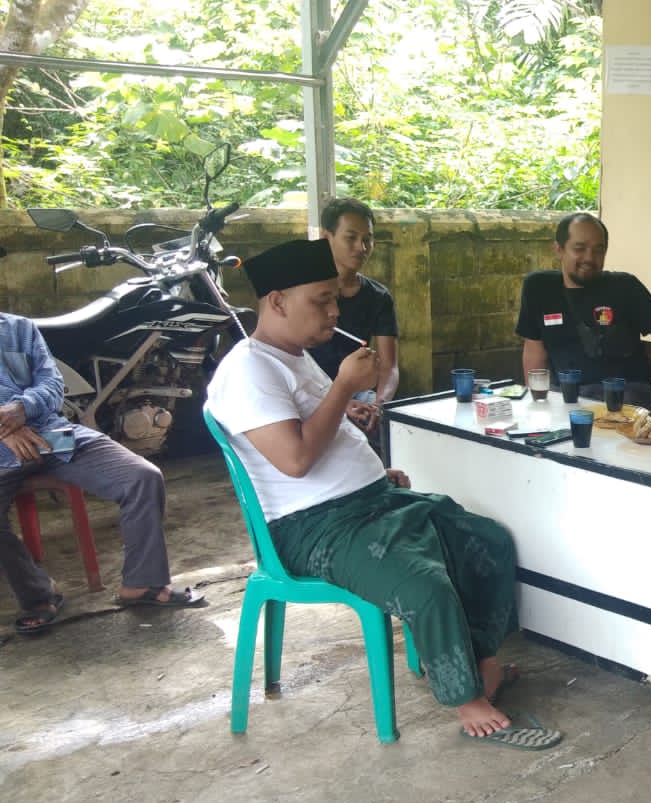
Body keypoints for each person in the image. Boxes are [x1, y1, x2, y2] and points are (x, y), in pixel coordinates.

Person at [206, 239, 559, 750]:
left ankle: (482, 662)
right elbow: (295, 460)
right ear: (277, 302)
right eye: (322, 300)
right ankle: (465, 700)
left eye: (334, 299)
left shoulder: (294, 356)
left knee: (486, 540)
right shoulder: (249, 370)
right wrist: (343, 388)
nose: (334, 311)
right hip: (315, 528)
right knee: (426, 586)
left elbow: (322, 431)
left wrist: (372, 471)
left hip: (369, 503)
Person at [0, 313, 205, 634]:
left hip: (52, 435)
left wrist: (22, 409)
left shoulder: (18, 328)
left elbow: (52, 385)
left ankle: (142, 583)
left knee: (142, 476)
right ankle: (39, 595)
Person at [516, 212, 651, 407]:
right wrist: (537, 405)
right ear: (559, 249)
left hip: (626, 397)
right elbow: (534, 352)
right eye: (579, 248)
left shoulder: (624, 287)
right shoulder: (539, 289)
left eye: (599, 250)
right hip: (568, 399)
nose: (589, 258)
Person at [307, 198, 398, 406]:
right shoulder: (302, 291)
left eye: (367, 239)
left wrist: (379, 406)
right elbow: (292, 364)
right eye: (351, 237)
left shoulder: (378, 296)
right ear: (326, 237)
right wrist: (341, 405)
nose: (361, 247)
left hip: (358, 394)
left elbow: (389, 366)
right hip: (309, 393)